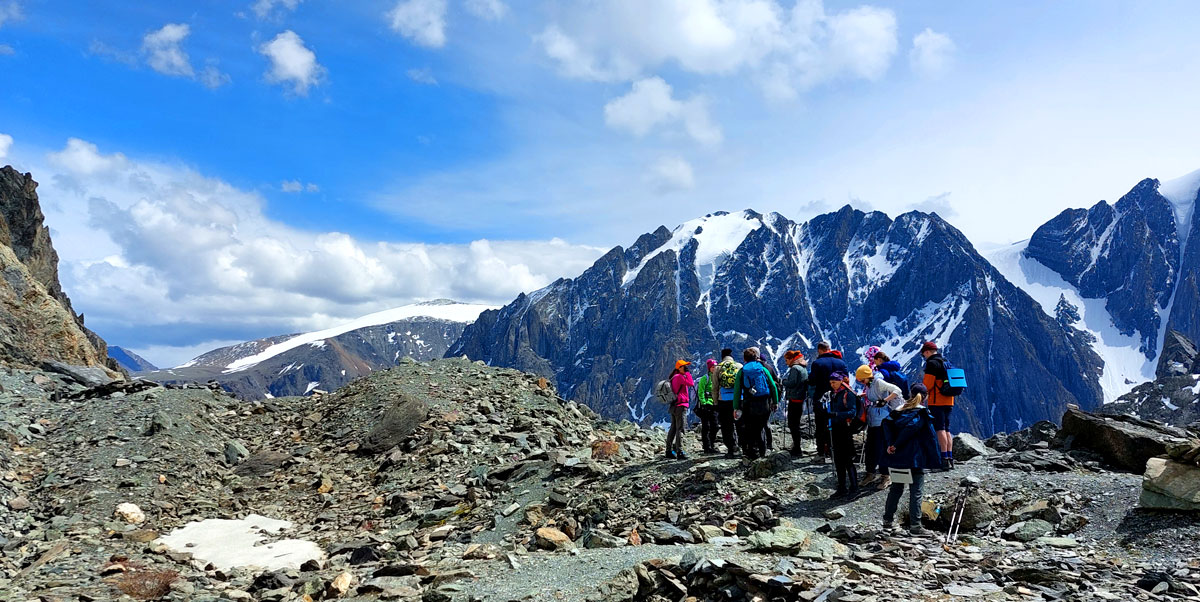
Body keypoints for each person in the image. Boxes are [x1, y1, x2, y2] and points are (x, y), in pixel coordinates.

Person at [881, 384, 942, 534]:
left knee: (896, 489)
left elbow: (886, 424)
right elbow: (920, 432)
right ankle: (915, 525)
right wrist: (936, 459)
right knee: (916, 491)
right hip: (915, 458)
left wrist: (891, 444)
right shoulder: (921, 413)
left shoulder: (897, 411)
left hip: (897, 457)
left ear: (910, 394)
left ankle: (887, 521)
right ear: (925, 397)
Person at [855, 365, 903, 490]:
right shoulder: (870, 384)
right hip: (873, 420)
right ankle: (870, 473)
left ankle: (886, 476)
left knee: (881, 448)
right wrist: (864, 395)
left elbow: (897, 390)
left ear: (866, 377)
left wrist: (885, 400)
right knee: (870, 448)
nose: (860, 382)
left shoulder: (878, 382)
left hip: (882, 421)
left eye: (861, 380)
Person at [731, 347, 780, 460]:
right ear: (756, 357)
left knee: (750, 428)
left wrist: (736, 407)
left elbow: (737, 391)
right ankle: (762, 452)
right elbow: (773, 386)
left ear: (744, 359)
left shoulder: (742, 371)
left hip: (749, 404)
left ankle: (752, 454)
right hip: (764, 403)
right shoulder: (763, 369)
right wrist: (775, 402)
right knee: (761, 427)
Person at [809, 342, 848, 461]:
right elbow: (846, 379)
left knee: (821, 425)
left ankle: (822, 452)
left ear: (820, 350)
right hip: (838, 398)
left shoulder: (817, 363)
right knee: (837, 424)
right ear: (829, 349)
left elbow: (812, 381)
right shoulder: (841, 362)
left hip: (822, 398)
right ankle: (836, 450)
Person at [919, 342, 955, 469]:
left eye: (924, 354)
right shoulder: (946, 362)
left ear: (927, 351)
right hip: (949, 400)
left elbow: (927, 385)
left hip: (937, 401)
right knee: (947, 429)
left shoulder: (931, 364)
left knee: (940, 429)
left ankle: (943, 459)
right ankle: (950, 458)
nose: (924, 356)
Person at [826, 372, 859, 499]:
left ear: (840, 381)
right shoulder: (835, 394)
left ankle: (854, 488)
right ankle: (842, 487)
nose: (832, 384)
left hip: (845, 429)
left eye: (834, 382)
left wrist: (836, 414)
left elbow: (852, 412)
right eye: (831, 383)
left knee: (847, 459)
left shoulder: (847, 394)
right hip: (836, 428)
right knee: (838, 459)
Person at [714, 348, 743, 457]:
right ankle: (743, 447)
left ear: (722, 357)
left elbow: (715, 387)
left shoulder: (718, 368)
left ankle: (731, 449)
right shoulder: (739, 366)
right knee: (740, 424)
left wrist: (716, 403)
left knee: (727, 426)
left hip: (724, 401)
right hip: (738, 399)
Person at [782, 350, 809, 456]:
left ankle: (797, 448)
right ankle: (797, 446)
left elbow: (792, 383)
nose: (786, 362)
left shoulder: (794, 368)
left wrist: (783, 382)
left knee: (793, 424)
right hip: (800, 398)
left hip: (794, 399)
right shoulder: (803, 368)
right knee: (796, 424)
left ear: (791, 359)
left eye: (786, 360)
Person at [666, 360, 694, 460]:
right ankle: (680, 452)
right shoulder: (679, 377)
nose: (686, 368)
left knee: (673, 428)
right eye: (684, 367)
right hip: (680, 406)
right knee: (680, 428)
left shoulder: (674, 377)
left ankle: (668, 451)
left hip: (674, 406)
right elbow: (691, 383)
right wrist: (688, 373)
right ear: (679, 368)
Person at [695, 359, 719, 453]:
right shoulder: (705, 378)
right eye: (713, 367)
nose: (715, 368)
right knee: (706, 426)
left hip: (714, 404)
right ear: (709, 368)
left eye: (716, 366)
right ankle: (707, 447)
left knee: (715, 426)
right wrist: (703, 403)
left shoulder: (716, 377)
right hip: (706, 406)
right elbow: (700, 391)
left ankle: (711, 444)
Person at [759, 351, 781, 451]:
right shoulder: (769, 368)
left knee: (757, 424)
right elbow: (776, 385)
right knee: (766, 423)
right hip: (768, 399)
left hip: (756, 400)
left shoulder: (756, 369)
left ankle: (760, 445)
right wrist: (776, 401)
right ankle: (769, 444)